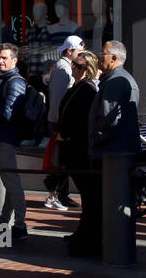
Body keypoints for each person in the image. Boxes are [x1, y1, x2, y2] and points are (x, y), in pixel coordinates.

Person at [71, 40, 139, 258]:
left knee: (105, 202)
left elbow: (109, 119)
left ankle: (107, 248)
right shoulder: (115, 79)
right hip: (112, 151)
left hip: (113, 154)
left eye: (104, 53)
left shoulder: (117, 81)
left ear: (115, 58)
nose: (100, 57)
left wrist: (95, 138)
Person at [0, 43, 29, 241]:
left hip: (5, 139)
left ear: (14, 60)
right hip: (0, 139)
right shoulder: (7, 80)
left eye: (5, 58)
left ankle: (20, 224)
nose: (0, 61)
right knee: (9, 183)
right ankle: (4, 221)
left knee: (12, 184)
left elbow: (7, 114)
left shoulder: (15, 82)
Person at [58, 50, 100, 250]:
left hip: (81, 149)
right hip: (71, 147)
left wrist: (66, 133)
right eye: (74, 64)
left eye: (80, 66)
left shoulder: (88, 89)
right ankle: (84, 232)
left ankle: (88, 235)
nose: (74, 68)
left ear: (89, 69)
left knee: (89, 194)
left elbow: (83, 122)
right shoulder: (75, 87)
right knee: (86, 193)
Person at [43, 34, 84, 211]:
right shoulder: (63, 69)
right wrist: (62, 122)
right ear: (70, 51)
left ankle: (60, 193)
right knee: (61, 159)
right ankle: (57, 193)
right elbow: (60, 98)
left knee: (63, 158)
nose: (83, 53)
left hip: (61, 120)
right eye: (80, 50)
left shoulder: (65, 67)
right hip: (60, 121)